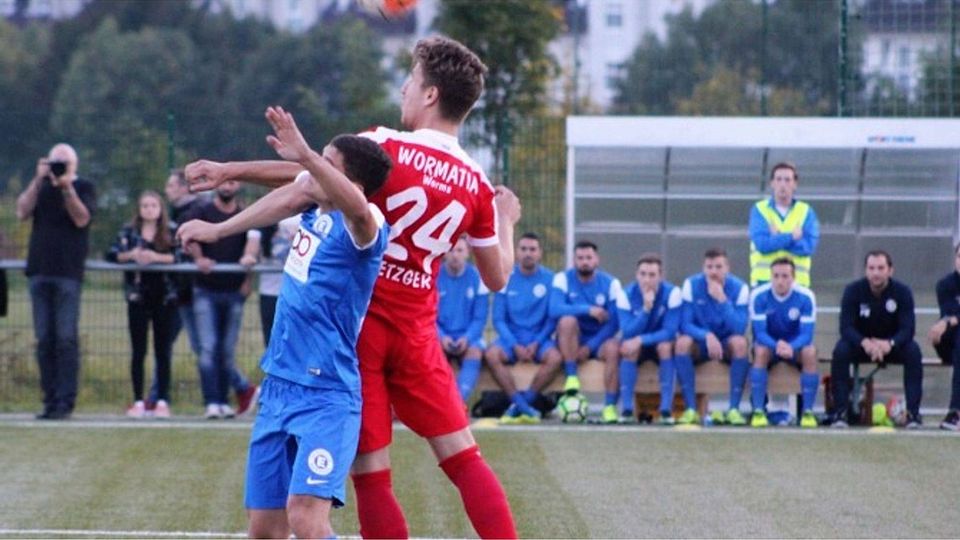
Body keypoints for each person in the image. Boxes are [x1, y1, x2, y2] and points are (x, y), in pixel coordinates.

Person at [184, 36, 520, 538]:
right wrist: (507, 220)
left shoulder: (386, 146)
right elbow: (496, 277)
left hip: (355, 331)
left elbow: (312, 180)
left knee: (373, 478)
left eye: (411, 79)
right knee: (463, 458)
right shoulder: (474, 181)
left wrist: (233, 171)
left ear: (430, 95)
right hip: (417, 332)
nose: (405, 88)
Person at [180, 109, 392, 539]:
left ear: (351, 183)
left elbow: (355, 206)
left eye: (324, 164)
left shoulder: (365, 227)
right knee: (264, 530)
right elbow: (286, 191)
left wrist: (310, 158)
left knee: (306, 518)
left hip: (326, 395)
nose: (307, 169)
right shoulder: (314, 206)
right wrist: (223, 206)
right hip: (278, 388)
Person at [15, 143, 95, 420]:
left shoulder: (84, 187)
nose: (59, 166)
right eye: (55, 162)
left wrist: (66, 187)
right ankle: (49, 400)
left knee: (65, 339)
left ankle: (65, 401)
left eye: (64, 162)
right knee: (44, 339)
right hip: (39, 271)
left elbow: (82, 219)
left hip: (68, 273)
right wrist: (38, 179)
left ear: (74, 164)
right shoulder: (40, 187)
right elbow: (21, 212)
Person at [184, 180, 260, 419]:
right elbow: (189, 234)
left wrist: (248, 264)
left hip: (233, 291)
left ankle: (225, 401)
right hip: (205, 289)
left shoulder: (245, 214)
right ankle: (211, 402)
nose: (228, 186)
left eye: (233, 181)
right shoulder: (202, 211)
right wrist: (199, 258)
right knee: (208, 348)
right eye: (224, 181)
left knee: (227, 350)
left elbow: (253, 242)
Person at [105, 191, 179, 419]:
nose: (149, 209)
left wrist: (156, 258)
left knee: (162, 351)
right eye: (144, 205)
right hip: (137, 298)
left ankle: (162, 400)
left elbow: (182, 256)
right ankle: (138, 400)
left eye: (153, 205)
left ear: (160, 208)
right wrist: (132, 255)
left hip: (164, 298)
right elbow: (112, 254)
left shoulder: (171, 231)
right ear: (139, 209)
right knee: (138, 351)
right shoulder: (129, 232)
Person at [831, 250, 923, 429]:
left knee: (913, 351)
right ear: (866, 271)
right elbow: (846, 327)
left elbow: (908, 329)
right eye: (871, 268)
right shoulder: (852, 291)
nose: (876, 273)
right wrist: (865, 343)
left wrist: (890, 344)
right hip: (862, 346)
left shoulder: (903, 292)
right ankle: (840, 413)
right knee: (841, 350)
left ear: (890, 270)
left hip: (892, 346)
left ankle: (913, 414)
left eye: (881, 268)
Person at [145, 169, 207, 412]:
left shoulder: (191, 213)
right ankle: (155, 396)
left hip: (189, 291)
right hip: (180, 292)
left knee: (200, 347)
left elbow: (184, 252)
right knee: (184, 345)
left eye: (171, 185)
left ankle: (239, 388)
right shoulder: (177, 213)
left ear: (184, 187)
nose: (167, 190)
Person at [485, 232, 560, 424]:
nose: (528, 253)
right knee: (492, 355)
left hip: (539, 340)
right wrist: (514, 344)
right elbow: (498, 319)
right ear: (517, 253)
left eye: (533, 249)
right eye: (524, 249)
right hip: (511, 340)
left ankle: (523, 402)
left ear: (540, 253)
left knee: (555, 358)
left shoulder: (551, 279)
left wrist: (537, 342)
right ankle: (521, 404)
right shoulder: (505, 277)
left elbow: (552, 318)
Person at [549, 240, 623, 424]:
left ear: (597, 260)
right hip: (572, 339)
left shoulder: (611, 283)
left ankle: (610, 407)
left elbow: (614, 323)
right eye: (580, 258)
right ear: (574, 260)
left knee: (614, 347)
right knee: (567, 321)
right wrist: (588, 310)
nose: (584, 262)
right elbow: (554, 309)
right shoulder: (562, 279)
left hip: (598, 341)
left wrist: (590, 347)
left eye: (588, 257)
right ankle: (572, 376)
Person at [676, 247, 750, 426]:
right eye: (709, 267)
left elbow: (739, 328)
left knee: (740, 343)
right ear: (704, 268)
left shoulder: (740, 288)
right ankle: (691, 409)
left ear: (727, 268)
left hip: (726, 343)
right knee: (682, 343)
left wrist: (723, 300)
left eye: (718, 267)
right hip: (701, 343)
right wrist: (706, 335)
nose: (714, 272)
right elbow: (684, 324)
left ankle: (733, 409)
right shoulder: (691, 285)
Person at [747, 258, 819, 428]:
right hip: (770, 347)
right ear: (770, 277)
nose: (780, 281)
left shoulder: (806, 297)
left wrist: (791, 347)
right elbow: (759, 333)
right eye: (776, 276)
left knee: (810, 352)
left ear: (793, 278)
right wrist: (777, 346)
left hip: (795, 347)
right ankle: (758, 411)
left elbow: (807, 334)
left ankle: (807, 412)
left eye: (785, 276)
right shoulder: (759, 296)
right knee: (760, 351)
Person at [613, 253, 681, 424]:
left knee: (665, 346)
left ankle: (666, 410)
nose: (646, 280)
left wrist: (641, 340)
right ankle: (627, 409)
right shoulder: (625, 294)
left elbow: (670, 331)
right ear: (637, 275)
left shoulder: (672, 293)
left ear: (661, 276)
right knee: (628, 348)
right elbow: (628, 331)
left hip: (658, 345)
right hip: (637, 347)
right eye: (642, 274)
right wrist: (645, 309)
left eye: (652, 275)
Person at [748, 162, 820, 287]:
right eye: (779, 179)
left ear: (795, 184)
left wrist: (776, 237)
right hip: (764, 283)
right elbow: (762, 244)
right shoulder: (760, 209)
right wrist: (791, 237)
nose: (783, 184)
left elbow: (808, 247)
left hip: (797, 285)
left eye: (787, 180)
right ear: (772, 183)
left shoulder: (806, 211)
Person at [437, 237, 490, 403]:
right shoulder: (432, 277)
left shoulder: (478, 278)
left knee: (475, 351)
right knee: (429, 350)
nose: (455, 255)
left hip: (468, 337)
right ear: (444, 253)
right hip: (440, 335)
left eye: (460, 251)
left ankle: (458, 403)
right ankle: (436, 401)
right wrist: (441, 336)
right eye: (451, 250)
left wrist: (467, 338)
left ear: (468, 253)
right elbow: (426, 315)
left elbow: (480, 318)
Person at [255, 216, 300, 347]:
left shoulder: (300, 219)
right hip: (270, 291)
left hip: (294, 292)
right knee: (272, 339)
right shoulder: (263, 220)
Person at [929, 242, 960, 431]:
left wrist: (951, 320)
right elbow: (949, 313)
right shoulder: (945, 285)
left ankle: (955, 411)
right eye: (959, 256)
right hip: (949, 345)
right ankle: (955, 413)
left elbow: (951, 318)